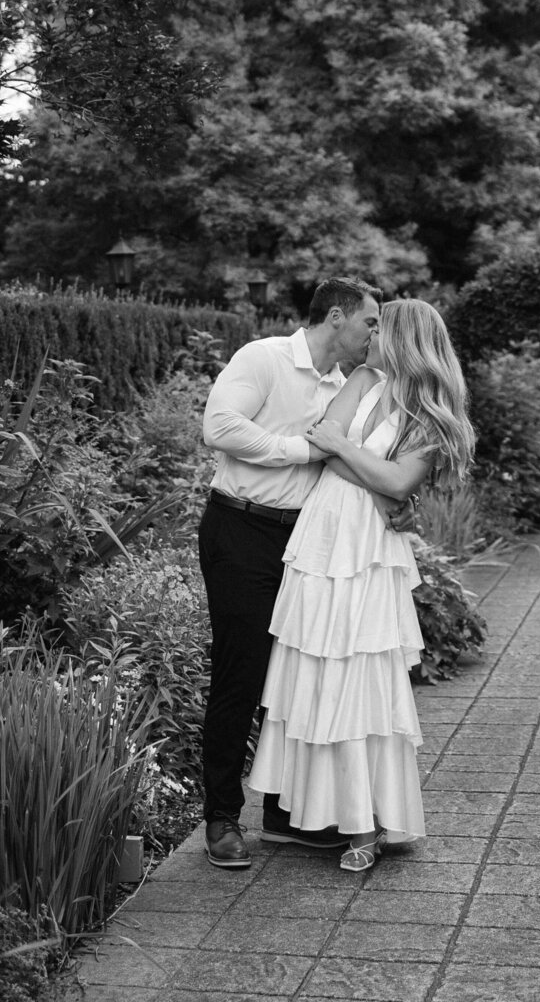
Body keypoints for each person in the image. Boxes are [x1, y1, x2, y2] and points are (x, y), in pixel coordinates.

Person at [247, 298, 475, 871]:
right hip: (323, 540)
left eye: (380, 326)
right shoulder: (364, 379)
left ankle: (368, 826)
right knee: (314, 667)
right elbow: (324, 443)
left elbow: (388, 472)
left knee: (361, 676)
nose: (369, 333)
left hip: (369, 552)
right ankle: (320, 812)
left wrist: (369, 471)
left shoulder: (433, 413)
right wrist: (381, 485)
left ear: (401, 338)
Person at [199, 277, 399, 870]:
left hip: (311, 541)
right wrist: (304, 449)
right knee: (242, 670)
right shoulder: (263, 358)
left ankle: (285, 817)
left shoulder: (351, 386)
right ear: (335, 317)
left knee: (296, 671)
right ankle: (221, 818)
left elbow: (350, 465)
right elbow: (221, 428)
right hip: (241, 529)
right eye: (370, 321)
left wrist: (394, 500)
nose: (377, 333)